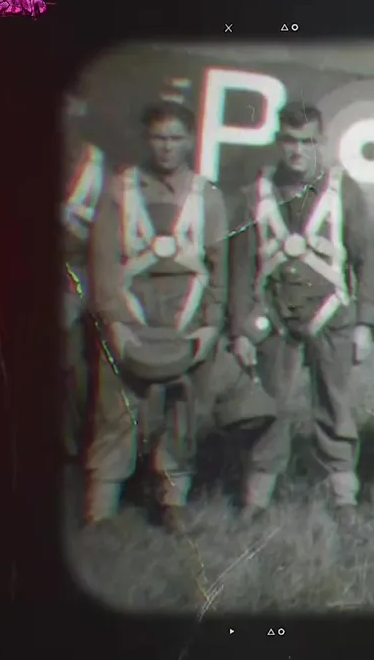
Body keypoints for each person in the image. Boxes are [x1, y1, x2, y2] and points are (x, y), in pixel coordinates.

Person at [86, 100, 278, 533]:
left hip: (187, 323)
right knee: (115, 413)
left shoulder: (207, 196)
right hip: (132, 320)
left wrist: (209, 325)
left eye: (175, 138)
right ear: (146, 139)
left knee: (183, 416)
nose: (167, 147)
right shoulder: (120, 191)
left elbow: (218, 268)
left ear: (190, 140)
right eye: (159, 137)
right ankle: (101, 507)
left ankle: (173, 499)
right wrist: (115, 322)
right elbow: (103, 265)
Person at [227, 101, 374, 528]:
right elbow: (240, 267)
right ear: (279, 142)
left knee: (334, 404)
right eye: (290, 141)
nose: (297, 150)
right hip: (274, 315)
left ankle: (343, 493)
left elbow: (366, 260)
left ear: (321, 143)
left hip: (331, 315)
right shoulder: (257, 193)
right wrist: (240, 329)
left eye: (307, 141)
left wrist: (365, 323)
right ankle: (257, 494)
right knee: (270, 406)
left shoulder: (344, 191)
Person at [61, 80, 106, 463]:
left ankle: (72, 442)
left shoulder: (96, 164)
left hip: (76, 276)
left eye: (69, 102)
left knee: (72, 360)